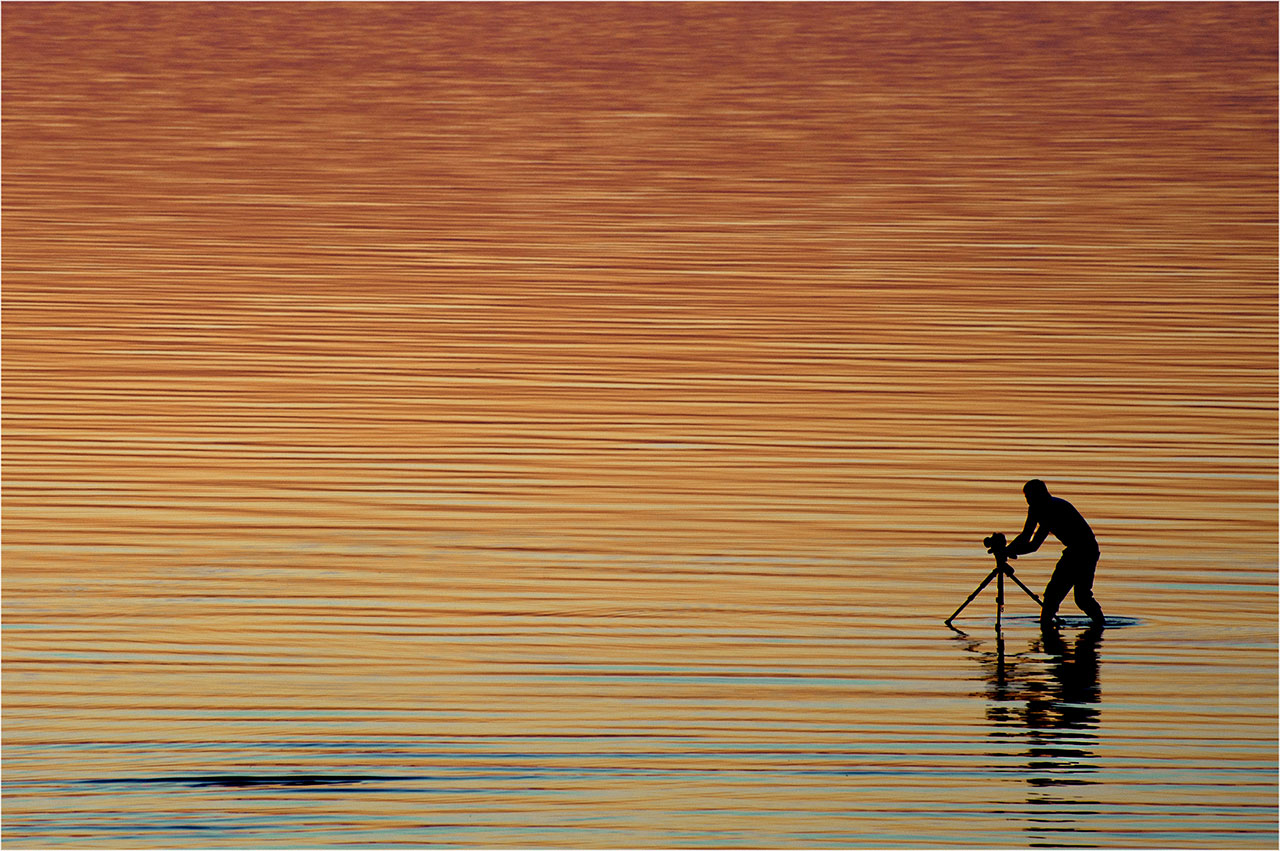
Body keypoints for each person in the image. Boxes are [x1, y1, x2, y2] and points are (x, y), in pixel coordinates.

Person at [1004, 479, 1105, 628]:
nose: (1028, 502)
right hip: (1074, 551)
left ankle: (1099, 625)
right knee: (1057, 596)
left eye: (1029, 497)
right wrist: (1008, 550)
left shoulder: (1054, 508)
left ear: (1040, 495)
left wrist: (1009, 551)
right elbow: (1029, 539)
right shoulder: (1036, 509)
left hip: (1085, 551)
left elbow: (1030, 542)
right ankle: (1048, 630)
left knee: (1079, 597)